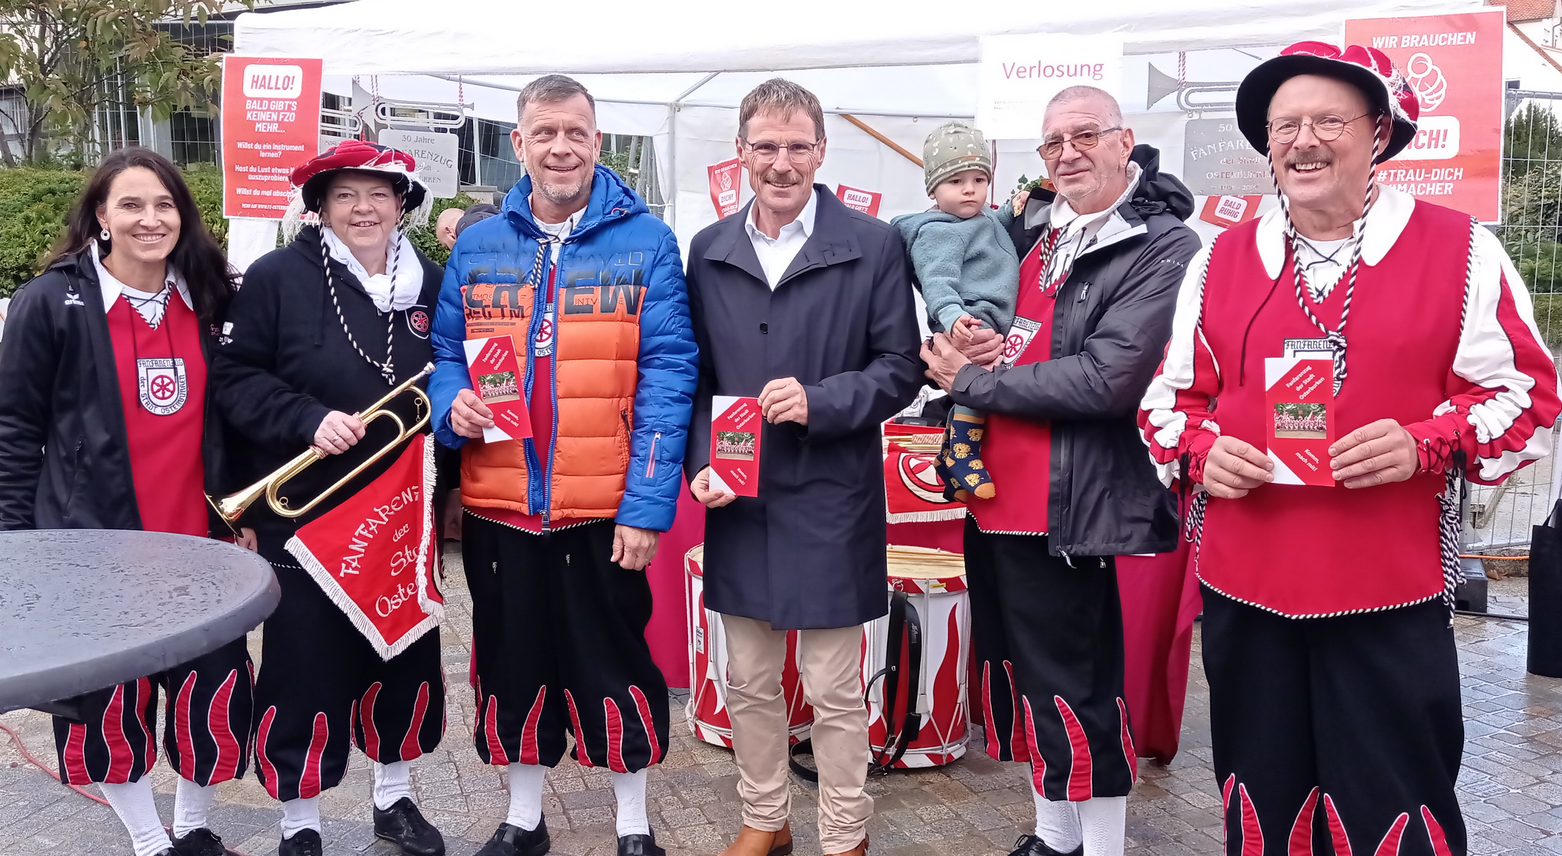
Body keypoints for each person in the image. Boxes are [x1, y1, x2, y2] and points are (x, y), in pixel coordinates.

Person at [1139, 42, 1561, 856]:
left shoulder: (1461, 249)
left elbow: (1529, 399)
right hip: (1247, 591)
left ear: (1382, 133)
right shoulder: (1223, 257)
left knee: (1394, 799)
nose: (1303, 140)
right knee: (1261, 798)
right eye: (1284, 124)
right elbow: (1167, 401)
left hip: (1386, 591)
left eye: (1329, 120)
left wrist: (1426, 442)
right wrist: (1200, 451)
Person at [922, 86, 1199, 856]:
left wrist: (970, 384)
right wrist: (980, 349)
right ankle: (1053, 836)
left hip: (1065, 507)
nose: (1068, 153)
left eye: (1085, 135)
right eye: (1052, 143)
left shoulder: (1164, 246)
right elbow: (1031, 342)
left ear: (1125, 141)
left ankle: (1103, 848)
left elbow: (1106, 381)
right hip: (997, 500)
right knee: (1025, 682)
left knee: (1077, 687)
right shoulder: (1044, 236)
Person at [429, 74, 696, 856]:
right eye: (544, 132)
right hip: (499, 503)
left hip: (602, 505)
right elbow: (447, 353)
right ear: (519, 143)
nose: (560, 147)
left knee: (614, 662)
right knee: (511, 663)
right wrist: (454, 404)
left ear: (596, 140)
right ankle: (522, 820)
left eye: (575, 132)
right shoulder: (479, 245)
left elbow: (670, 373)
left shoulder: (647, 241)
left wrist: (648, 505)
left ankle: (634, 823)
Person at [685, 78, 922, 856]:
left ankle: (844, 833)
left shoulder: (874, 243)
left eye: (796, 146)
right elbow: (692, 378)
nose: (781, 162)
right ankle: (765, 818)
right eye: (766, 146)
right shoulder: (710, 249)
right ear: (743, 152)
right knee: (748, 681)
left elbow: (899, 367)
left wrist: (822, 401)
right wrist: (697, 467)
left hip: (830, 493)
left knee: (831, 688)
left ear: (821, 151)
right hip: (739, 497)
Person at [0, 147, 254, 856]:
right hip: (92, 550)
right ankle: (150, 840)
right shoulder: (50, 301)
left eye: (165, 204)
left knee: (214, 701)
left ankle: (196, 827)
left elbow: (237, 418)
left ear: (184, 215)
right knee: (108, 711)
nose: (150, 219)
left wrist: (242, 515)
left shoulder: (211, 298)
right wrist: (16, 548)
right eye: (132, 205)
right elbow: (14, 428)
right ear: (101, 217)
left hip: (199, 549)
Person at [211, 140, 448, 856]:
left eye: (380, 193)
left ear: (402, 203)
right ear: (319, 208)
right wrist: (305, 417)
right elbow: (234, 378)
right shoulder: (279, 277)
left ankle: (394, 799)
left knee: (402, 658)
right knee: (303, 670)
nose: (365, 208)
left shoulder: (431, 283)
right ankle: (300, 822)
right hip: (308, 519)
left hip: (404, 515)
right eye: (345, 195)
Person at [891, 121, 1019, 500]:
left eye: (979, 180)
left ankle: (947, 464)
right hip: (969, 319)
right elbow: (937, 284)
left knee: (972, 388)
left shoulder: (977, 217)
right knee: (977, 386)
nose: (970, 190)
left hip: (986, 316)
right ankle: (965, 455)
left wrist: (1013, 208)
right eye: (956, 181)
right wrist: (953, 318)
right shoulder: (938, 233)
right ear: (933, 188)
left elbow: (994, 224)